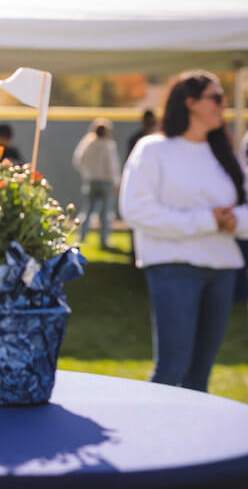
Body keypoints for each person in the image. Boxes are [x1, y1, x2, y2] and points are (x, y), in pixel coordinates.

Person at [119, 70, 247, 391]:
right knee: (172, 369)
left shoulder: (225, 155)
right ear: (190, 102)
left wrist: (235, 221)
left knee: (200, 375)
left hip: (222, 270)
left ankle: (191, 443)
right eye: (216, 98)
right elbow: (136, 209)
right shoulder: (153, 150)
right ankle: (149, 439)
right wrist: (207, 221)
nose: (223, 105)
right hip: (173, 268)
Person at [73, 118, 122, 248]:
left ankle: (82, 236)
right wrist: (116, 183)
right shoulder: (108, 145)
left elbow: (78, 160)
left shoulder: (87, 144)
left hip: (91, 180)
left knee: (87, 210)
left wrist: (87, 173)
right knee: (105, 213)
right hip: (105, 182)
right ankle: (104, 240)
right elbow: (113, 166)